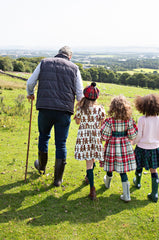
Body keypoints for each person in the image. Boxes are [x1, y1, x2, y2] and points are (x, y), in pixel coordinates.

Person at [26, 46, 83, 187]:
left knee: (43, 137)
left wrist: (30, 93)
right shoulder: (74, 68)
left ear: (58, 54)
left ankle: (41, 168)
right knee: (61, 144)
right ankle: (58, 180)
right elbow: (80, 93)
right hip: (64, 111)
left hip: (45, 108)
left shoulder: (44, 62)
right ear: (69, 57)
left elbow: (30, 82)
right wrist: (80, 110)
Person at [100, 95, 138, 202]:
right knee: (123, 171)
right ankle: (127, 195)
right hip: (125, 148)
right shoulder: (129, 120)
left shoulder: (109, 121)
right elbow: (132, 135)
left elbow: (105, 136)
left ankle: (107, 184)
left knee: (109, 167)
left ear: (113, 107)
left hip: (112, 147)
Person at [133, 94, 159, 202]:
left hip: (142, 147)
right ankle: (154, 194)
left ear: (143, 106)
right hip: (155, 148)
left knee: (139, 166)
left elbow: (139, 135)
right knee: (154, 170)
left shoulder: (142, 119)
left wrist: (134, 143)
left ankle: (137, 183)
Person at [74, 82, 106, 200]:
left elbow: (77, 122)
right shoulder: (100, 109)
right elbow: (102, 123)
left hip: (84, 137)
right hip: (95, 136)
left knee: (89, 162)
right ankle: (89, 178)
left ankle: (92, 188)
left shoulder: (81, 108)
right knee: (92, 159)